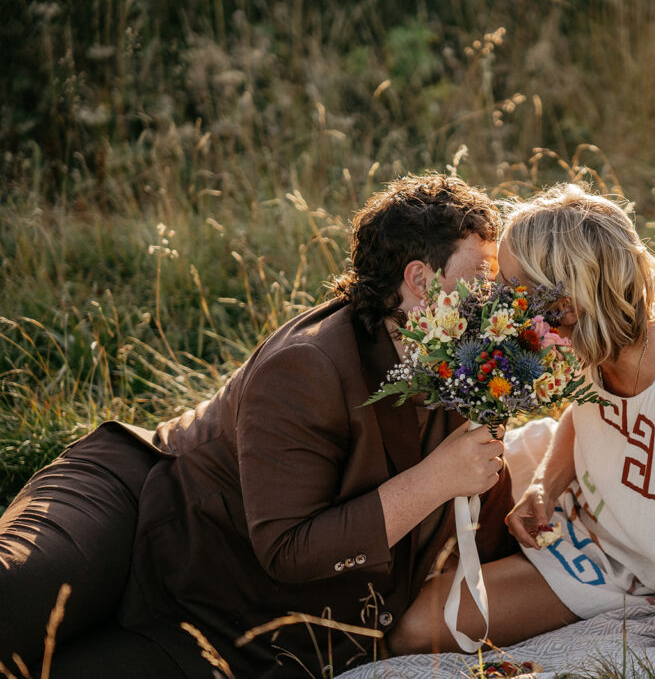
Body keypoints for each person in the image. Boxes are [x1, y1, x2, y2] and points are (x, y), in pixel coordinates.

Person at [0, 174, 521, 677]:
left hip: (227, 618)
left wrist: (527, 514)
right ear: (421, 280)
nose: (494, 296)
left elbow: (477, 493)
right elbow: (288, 546)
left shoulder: (464, 364)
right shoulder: (308, 365)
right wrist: (435, 479)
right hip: (140, 507)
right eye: (480, 276)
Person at [389, 183, 655, 653]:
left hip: (621, 562)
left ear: (567, 305)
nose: (494, 296)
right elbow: (587, 412)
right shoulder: (608, 328)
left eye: (508, 286)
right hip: (582, 509)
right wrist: (546, 485)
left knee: (419, 628)